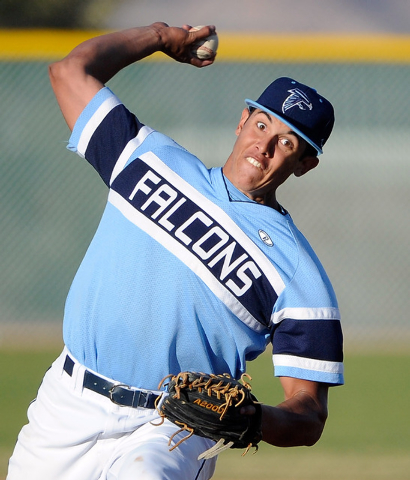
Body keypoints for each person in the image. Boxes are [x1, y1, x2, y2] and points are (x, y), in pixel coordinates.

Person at [7, 22, 343, 480]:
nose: (263, 146)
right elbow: (70, 71)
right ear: (242, 120)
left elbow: (309, 415)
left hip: (172, 430)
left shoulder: (299, 274)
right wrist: (162, 37)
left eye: (286, 141)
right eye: (262, 123)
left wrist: (253, 421)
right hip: (68, 404)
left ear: (305, 164)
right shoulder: (148, 159)